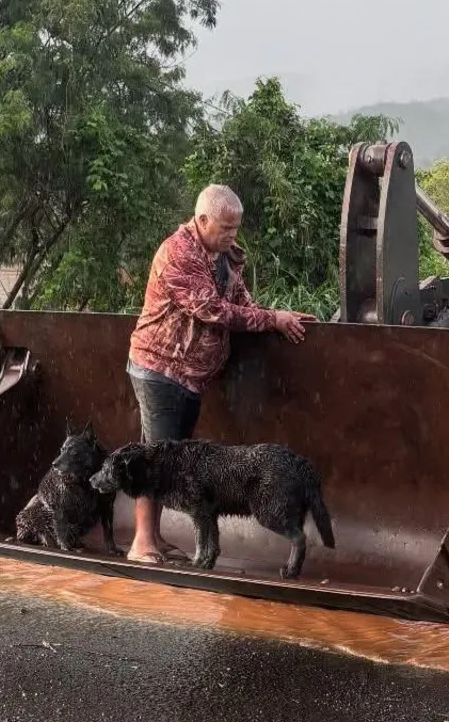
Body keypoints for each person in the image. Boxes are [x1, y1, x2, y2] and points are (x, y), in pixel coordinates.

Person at [123, 183, 314, 564]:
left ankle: (156, 539)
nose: (232, 235)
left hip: (191, 375)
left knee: (170, 455)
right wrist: (271, 320)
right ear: (202, 219)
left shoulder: (223, 256)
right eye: (226, 228)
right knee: (154, 457)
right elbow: (214, 311)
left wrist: (274, 318)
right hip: (159, 367)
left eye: (236, 228)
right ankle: (141, 542)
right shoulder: (178, 253)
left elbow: (240, 300)